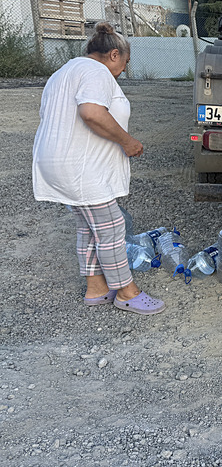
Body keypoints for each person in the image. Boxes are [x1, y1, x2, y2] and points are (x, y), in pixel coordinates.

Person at [32, 22, 165, 315]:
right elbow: (91, 112)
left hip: (59, 163)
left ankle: (96, 289)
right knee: (112, 227)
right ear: (114, 54)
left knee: (88, 227)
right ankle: (127, 292)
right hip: (80, 169)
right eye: (125, 63)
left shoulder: (64, 72)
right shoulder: (97, 71)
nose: (124, 70)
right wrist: (127, 141)